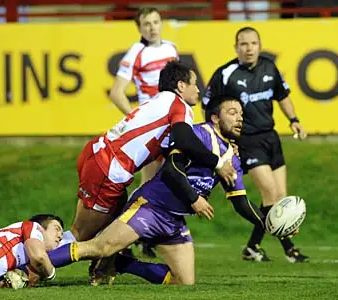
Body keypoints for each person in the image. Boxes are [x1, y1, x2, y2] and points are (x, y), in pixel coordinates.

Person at [48, 96, 288, 285]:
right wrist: (195, 199)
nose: (239, 119)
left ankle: (120, 264)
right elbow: (172, 169)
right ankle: (32, 267)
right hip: (150, 207)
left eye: (241, 114)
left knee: (184, 282)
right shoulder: (197, 134)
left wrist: (271, 224)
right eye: (232, 113)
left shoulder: (233, 159)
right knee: (98, 246)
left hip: (174, 221)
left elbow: (241, 203)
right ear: (215, 117)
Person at [60, 61, 237, 283]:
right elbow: (185, 139)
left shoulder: (159, 103)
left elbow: (170, 149)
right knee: (81, 235)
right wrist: (218, 163)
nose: (199, 90)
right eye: (195, 84)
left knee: (113, 225)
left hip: (98, 155)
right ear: (181, 86)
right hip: (110, 167)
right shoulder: (179, 106)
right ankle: (25, 264)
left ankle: (103, 269)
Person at [202, 26, 309, 263]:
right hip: (247, 140)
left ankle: (252, 247)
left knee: (279, 195)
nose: (249, 48)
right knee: (269, 191)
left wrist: (294, 120)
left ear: (259, 45)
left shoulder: (270, 67)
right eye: (243, 44)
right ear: (236, 47)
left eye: (253, 43)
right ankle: (289, 247)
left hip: (270, 137)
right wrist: (220, 136)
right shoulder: (226, 74)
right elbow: (208, 105)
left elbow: (282, 95)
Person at [109, 7, 178, 257]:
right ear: (139, 28)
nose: (152, 27)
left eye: (156, 22)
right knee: (149, 183)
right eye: (146, 23)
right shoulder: (136, 52)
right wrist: (137, 119)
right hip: (152, 128)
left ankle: (144, 235)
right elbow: (116, 92)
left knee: (164, 180)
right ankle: (126, 237)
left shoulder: (170, 48)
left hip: (170, 124)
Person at [0, 214, 63, 288]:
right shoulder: (33, 227)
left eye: (62, 234)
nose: (60, 236)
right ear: (41, 227)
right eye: (57, 229)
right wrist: (51, 274)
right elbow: (39, 258)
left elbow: (0, 281)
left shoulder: (26, 264)